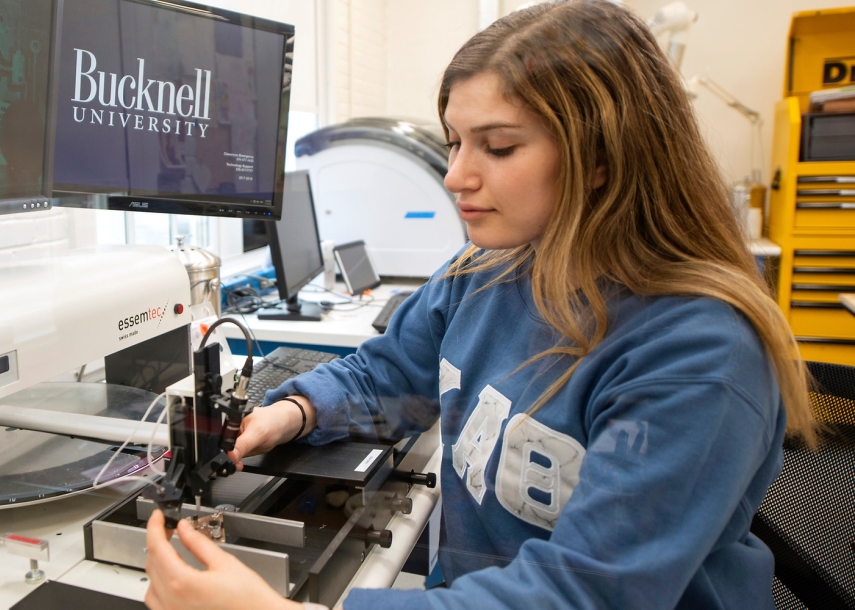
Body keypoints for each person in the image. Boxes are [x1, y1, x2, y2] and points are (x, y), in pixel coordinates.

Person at [143, 1, 817, 608]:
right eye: (455, 143)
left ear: (604, 156)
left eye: (498, 147)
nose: (457, 176)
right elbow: (387, 376)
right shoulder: (486, 272)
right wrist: (292, 412)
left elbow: (584, 595)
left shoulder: (697, 355)